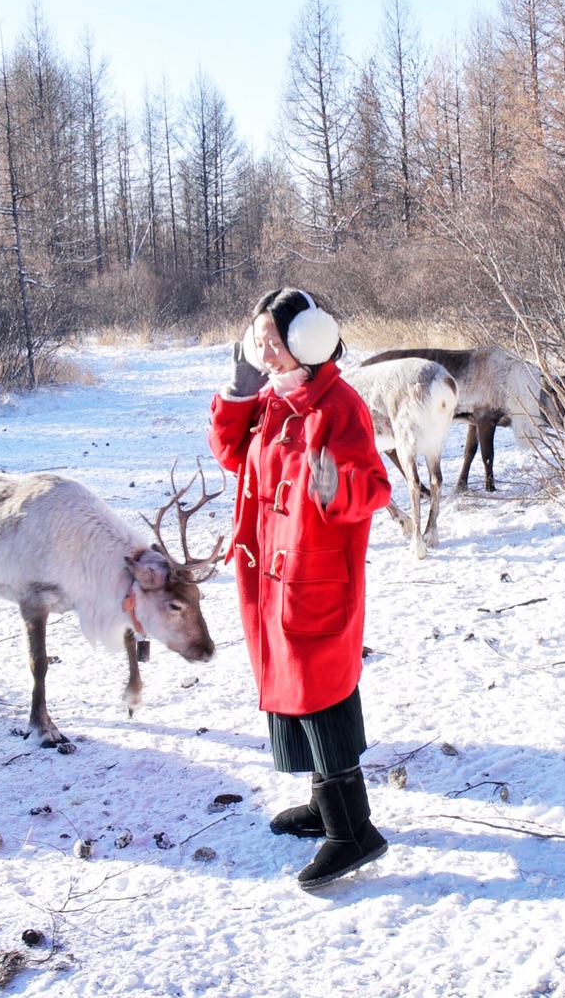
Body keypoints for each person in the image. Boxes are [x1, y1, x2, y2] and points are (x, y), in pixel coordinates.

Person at [206, 287, 394, 890]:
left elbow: (374, 488)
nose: (264, 351)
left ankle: (352, 832)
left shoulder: (339, 405)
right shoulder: (268, 401)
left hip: (317, 578)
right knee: (297, 691)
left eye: (274, 339)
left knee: (324, 694)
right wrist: (236, 395)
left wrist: (336, 488)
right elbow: (232, 455)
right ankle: (323, 808)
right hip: (269, 578)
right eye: (257, 338)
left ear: (308, 338)